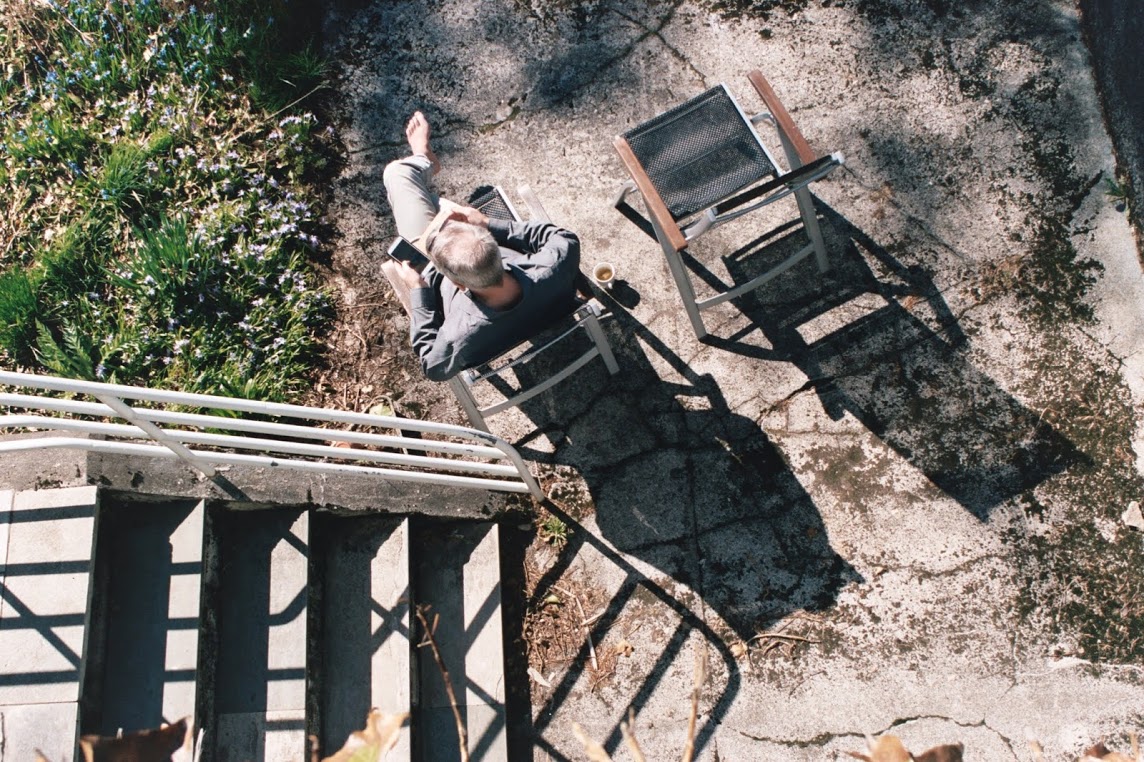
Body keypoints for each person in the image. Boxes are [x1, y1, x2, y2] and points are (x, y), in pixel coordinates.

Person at [381, 111, 582, 381]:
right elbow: (562, 237)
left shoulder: (458, 332)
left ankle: (422, 163)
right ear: (497, 252)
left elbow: (434, 367)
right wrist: (487, 222)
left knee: (396, 174)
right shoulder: (552, 267)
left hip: (428, 269)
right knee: (422, 195)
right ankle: (424, 173)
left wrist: (419, 291)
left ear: (458, 284)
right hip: (539, 308)